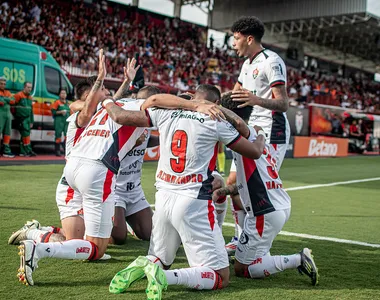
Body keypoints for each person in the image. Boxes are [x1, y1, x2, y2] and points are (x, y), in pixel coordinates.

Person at [103, 85, 265, 299]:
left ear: (192, 96)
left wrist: (105, 101)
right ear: (214, 104)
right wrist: (260, 136)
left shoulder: (165, 112)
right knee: (220, 276)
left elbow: (122, 115)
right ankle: (164, 278)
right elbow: (253, 150)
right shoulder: (214, 120)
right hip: (193, 201)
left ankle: (142, 266)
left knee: (160, 257)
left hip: (162, 199)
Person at [214, 93, 319, 286]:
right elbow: (250, 182)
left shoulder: (246, 134)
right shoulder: (257, 136)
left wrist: (206, 105)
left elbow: (237, 123)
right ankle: (251, 248)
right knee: (252, 252)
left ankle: (298, 259)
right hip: (278, 204)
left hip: (266, 212)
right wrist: (225, 191)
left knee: (242, 269)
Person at [230, 16, 290, 171]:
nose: (233, 43)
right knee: (233, 182)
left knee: (263, 184)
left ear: (249, 39)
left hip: (270, 128)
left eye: (236, 38)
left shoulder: (271, 61)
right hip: (249, 126)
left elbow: (283, 104)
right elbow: (233, 95)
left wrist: (255, 100)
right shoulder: (246, 64)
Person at [13, 82, 36, 156]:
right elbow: (12, 106)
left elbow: (31, 110)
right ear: (24, 87)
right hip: (21, 119)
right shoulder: (18, 95)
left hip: (28, 119)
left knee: (25, 135)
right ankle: (28, 150)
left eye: (30, 88)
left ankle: (22, 152)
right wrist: (16, 116)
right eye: (28, 87)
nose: (29, 89)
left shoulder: (30, 97)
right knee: (26, 134)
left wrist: (32, 121)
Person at [51, 89, 71, 156]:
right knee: (58, 136)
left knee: (66, 136)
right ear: (59, 94)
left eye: (64, 93)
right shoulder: (57, 102)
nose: (63, 95)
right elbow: (53, 112)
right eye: (62, 93)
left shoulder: (68, 103)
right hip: (59, 122)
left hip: (66, 122)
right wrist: (60, 112)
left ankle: (66, 150)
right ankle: (57, 151)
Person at [0, 76, 15, 157]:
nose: (3, 85)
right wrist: (7, 100)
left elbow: (13, 101)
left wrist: (4, 99)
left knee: (7, 132)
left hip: (8, 115)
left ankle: (6, 150)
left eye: (4, 84)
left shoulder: (8, 92)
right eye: (1, 84)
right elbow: (1, 102)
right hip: (0, 114)